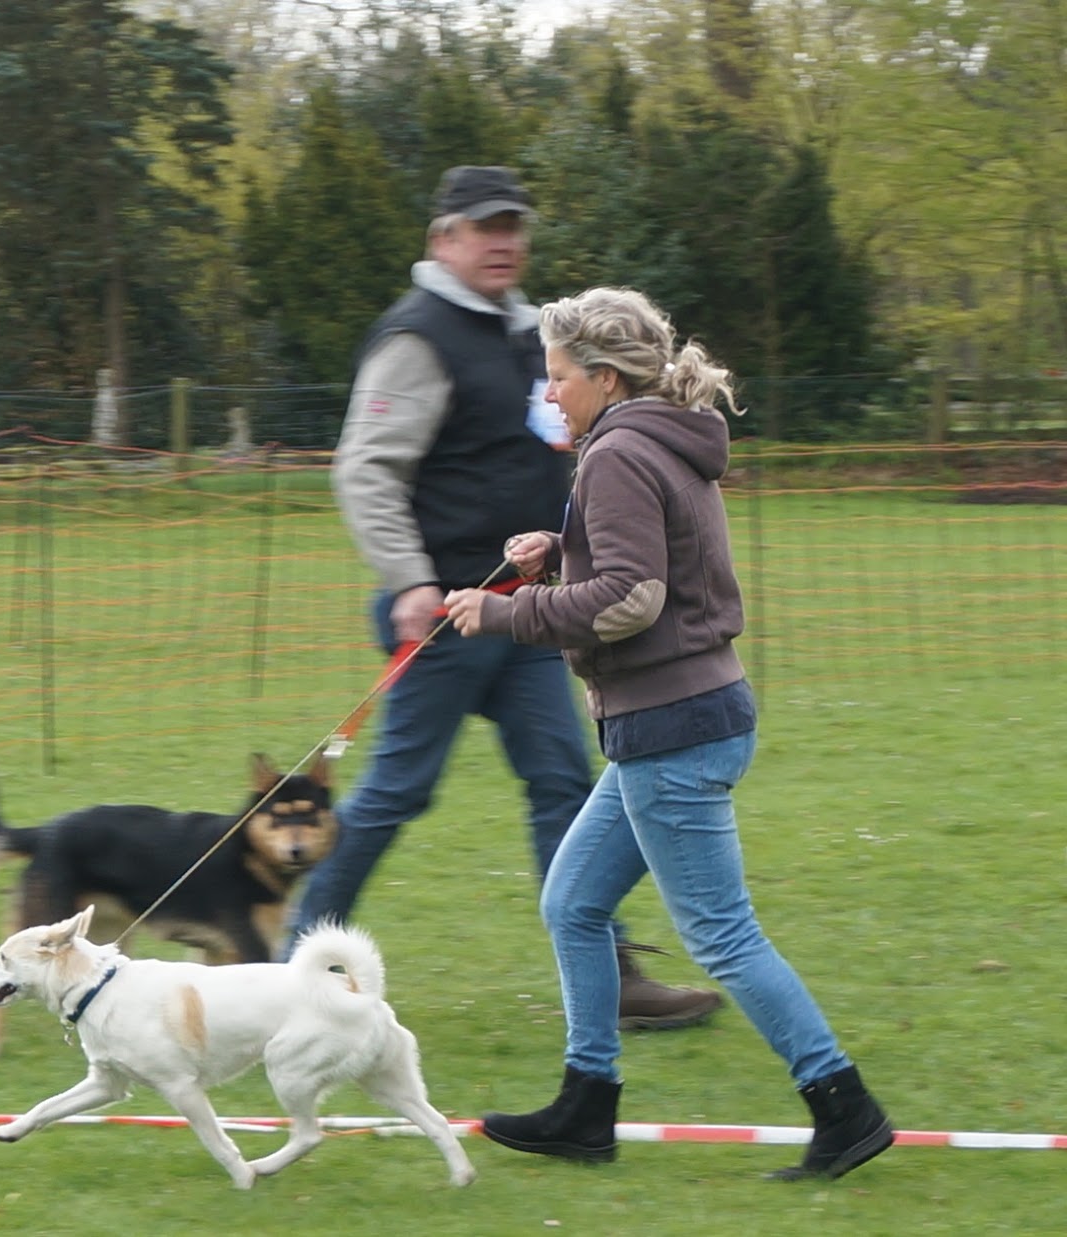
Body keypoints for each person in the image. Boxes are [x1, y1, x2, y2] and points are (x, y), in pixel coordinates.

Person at [444, 286, 893, 1180]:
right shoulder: (655, 439)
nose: (550, 393)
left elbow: (633, 598)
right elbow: (652, 566)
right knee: (573, 903)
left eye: (559, 376)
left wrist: (507, 613)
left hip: (670, 726)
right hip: (682, 715)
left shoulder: (617, 454)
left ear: (606, 378)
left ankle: (844, 1107)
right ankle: (588, 1103)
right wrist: (560, 551)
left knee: (722, 936)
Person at [284, 167, 721, 1031]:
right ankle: (293, 965)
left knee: (562, 781)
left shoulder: (534, 334)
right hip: (446, 615)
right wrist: (410, 579)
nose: (504, 241)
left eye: (514, 224)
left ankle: (609, 974)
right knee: (395, 792)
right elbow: (366, 469)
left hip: (529, 613)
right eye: (485, 226)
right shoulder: (416, 338)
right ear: (443, 238)